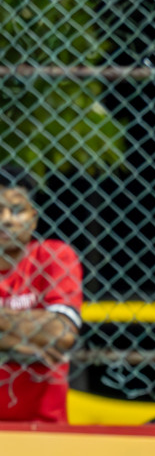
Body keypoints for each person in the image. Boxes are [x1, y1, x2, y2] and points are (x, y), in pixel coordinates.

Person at [0, 166, 83, 423]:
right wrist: (22, 339)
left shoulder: (54, 257)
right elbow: (46, 330)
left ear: (33, 219)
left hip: (44, 427)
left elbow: (60, 334)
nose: (6, 219)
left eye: (16, 210)